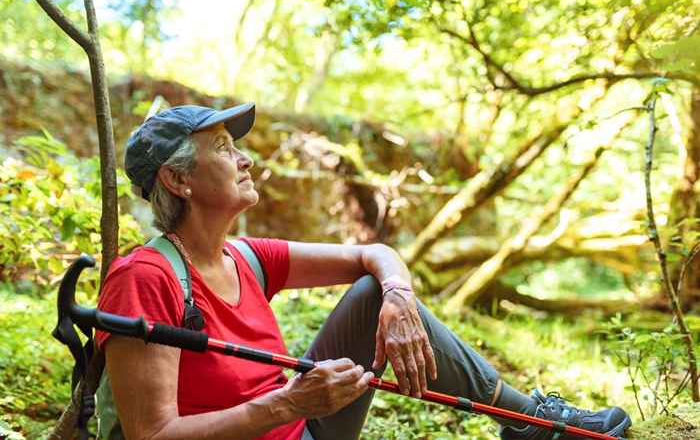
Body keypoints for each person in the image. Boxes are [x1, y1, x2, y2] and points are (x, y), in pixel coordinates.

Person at [95, 103, 632, 440]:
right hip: (291, 417)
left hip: (303, 426)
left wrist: (398, 296)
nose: (246, 160)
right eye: (223, 148)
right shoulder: (144, 278)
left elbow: (371, 255)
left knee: (374, 292)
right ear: (177, 180)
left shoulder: (246, 257)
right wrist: (287, 403)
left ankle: (527, 423)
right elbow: (153, 435)